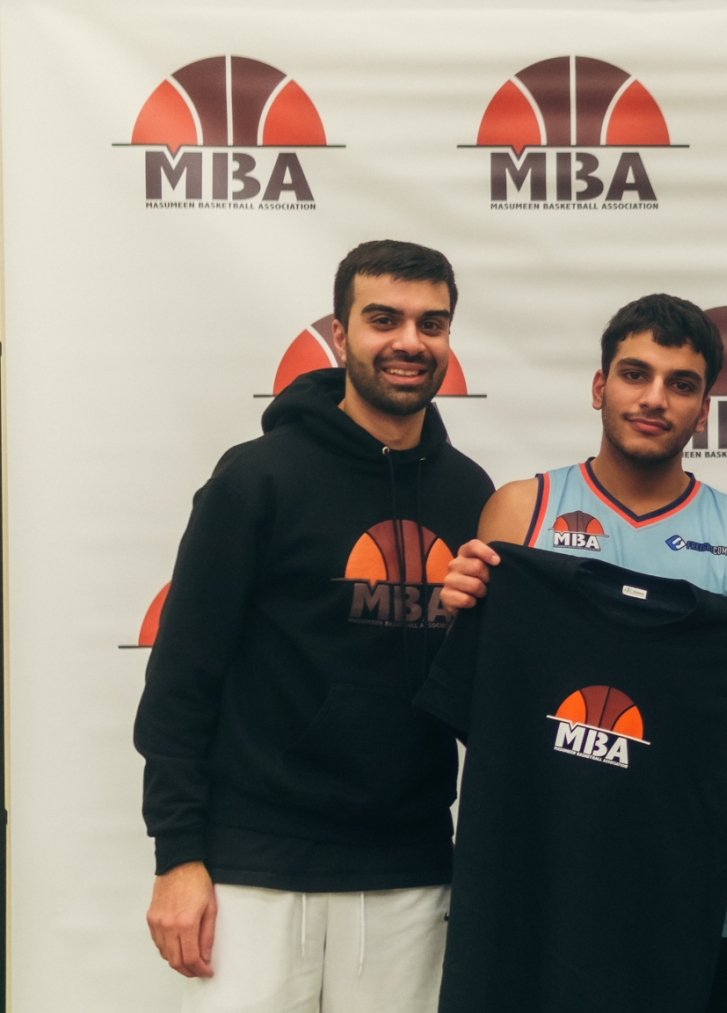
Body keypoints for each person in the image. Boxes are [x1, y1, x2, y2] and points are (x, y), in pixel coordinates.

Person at [134, 240, 494, 1012]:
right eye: (384, 319)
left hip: (409, 873)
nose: (409, 341)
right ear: (340, 333)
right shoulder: (257, 477)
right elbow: (181, 679)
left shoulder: (471, 494)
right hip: (253, 868)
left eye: (431, 323)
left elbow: (484, 698)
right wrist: (178, 854)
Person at [438, 294, 727, 1013]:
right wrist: (457, 612)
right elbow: (486, 706)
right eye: (634, 374)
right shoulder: (519, 512)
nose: (655, 398)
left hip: (685, 913)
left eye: (681, 384)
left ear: (704, 409)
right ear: (599, 386)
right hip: (531, 897)